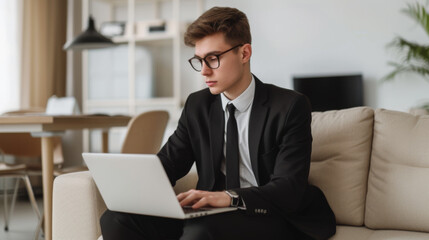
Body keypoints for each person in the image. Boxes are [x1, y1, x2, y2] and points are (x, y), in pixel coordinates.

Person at [100, 6, 336, 240]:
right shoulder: (197, 105)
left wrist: (230, 197)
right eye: (198, 60)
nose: (203, 71)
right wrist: (131, 185)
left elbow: (289, 188)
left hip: (269, 214)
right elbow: (169, 164)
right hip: (211, 214)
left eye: (213, 59)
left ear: (244, 53)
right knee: (115, 218)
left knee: (201, 232)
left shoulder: (290, 106)